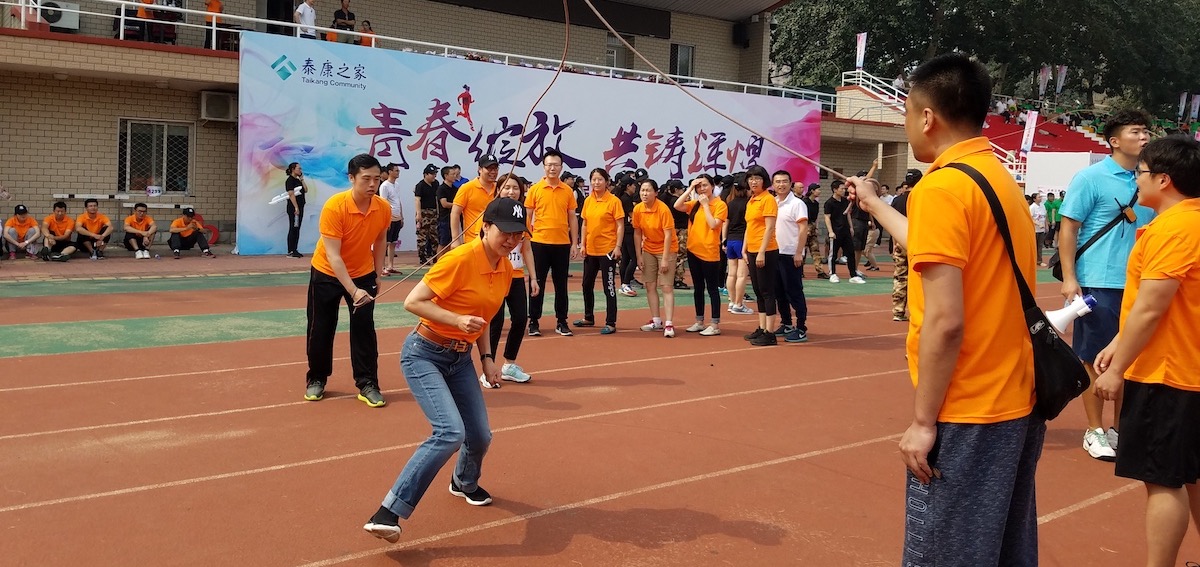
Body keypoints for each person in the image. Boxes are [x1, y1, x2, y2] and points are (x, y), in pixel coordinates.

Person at [848, 53, 1043, 566]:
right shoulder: (993, 177)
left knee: (944, 553)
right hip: (1015, 397)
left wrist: (923, 421)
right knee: (1002, 550)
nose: (907, 125)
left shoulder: (940, 187)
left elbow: (945, 320)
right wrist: (875, 203)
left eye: (908, 113)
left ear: (928, 117)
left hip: (968, 405)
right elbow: (932, 243)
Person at [363, 197, 527, 544]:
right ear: (485, 227)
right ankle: (387, 512)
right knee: (450, 432)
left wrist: (487, 358)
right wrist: (456, 320)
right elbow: (412, 302)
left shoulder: (505, 269)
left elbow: (483, 316)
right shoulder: (459, 259)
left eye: (518, 234)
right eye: (505, 232)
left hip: (461, 359)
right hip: (424, 354)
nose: (511, 240)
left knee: (480, 435)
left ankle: (463, 482)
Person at [1092, 136, 1200, 567]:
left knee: (1163, 479)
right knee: (1190, 476)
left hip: (1167, 372)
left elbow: (1153, 306)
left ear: (1164, 179)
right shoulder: (1190, 222)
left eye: (1140, 172)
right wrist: (1119, 342)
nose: (1135, 180)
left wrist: (1117, 368)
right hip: (1186, 367)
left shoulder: (1174, 229)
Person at [1058, 108, 1155, 461]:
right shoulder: (1091, 178)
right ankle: (1094, 430)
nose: (1144, 137)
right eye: (1135, 131)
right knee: (1095, 358)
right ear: (1114, 141)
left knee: (1132, 357)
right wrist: (1070, 278)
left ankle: (1120, 429)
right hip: (1099, 280)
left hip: (1142, 282)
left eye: (1146, 131)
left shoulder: (1152, 179)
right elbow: (1068, 228)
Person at [303, 153, 391, 407]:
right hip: (327, 272)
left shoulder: (382, 208)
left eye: (377, 178)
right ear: (352, 178)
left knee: (364, 330)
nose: (372, 184)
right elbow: (333, 256)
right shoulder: (335, 207)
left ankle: (367, 383)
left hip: (363, 273)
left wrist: (377, 274)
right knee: (320, 328)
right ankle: (317, 378)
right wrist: (353, 291)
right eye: (366, 178)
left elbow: (380, 240)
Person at [483, 175, 539, 385]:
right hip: (495, 275)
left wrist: (533, 277)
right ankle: (488, 368)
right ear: (498, 189)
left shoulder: (522, 214)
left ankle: (509, 364)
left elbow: (527, 249)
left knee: (520, 319)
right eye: (506, 187)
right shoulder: (492, 212)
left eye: (515, 188)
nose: (511, 191)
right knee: (495, 322)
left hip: (515, 275)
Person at [524, 149, 580, 337]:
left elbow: (572, 217)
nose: (552, 168)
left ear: (561, 167)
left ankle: (562, 321)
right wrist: (526, 238)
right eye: (549, 165)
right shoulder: (535, 189)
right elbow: (528, 215)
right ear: (544, 167)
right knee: (536, 283)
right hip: (539, 243)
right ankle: (533, 321)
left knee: (561, 285)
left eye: (556, 165)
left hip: (562, 244)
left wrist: (574, 243)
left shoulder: (567, 191)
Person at [673, 174, 727, 336]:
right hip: (693, 250)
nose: (701, 189)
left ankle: (715, 324)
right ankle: (699, 321)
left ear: (712, 186)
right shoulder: (695, 204)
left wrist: (705, 205)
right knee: (698, 288)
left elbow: (713, 225)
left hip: (709, 252)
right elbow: (677, 205)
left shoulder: (720, 205)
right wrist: (690, 188)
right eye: (698, 186)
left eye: (704, 185)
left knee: (712, 289)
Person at [576, 168, 624, 334]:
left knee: (608, 287)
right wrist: (583, 244)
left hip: (607, 250)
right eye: (594, 179)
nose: (596, 182)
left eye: (600, 179)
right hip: (590, 250)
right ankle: (588, 317)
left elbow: (620, 226)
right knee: (586, 284)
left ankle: (611, 322)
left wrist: (617, 247)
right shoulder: (588, 200)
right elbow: (584, 224)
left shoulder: (613, 201)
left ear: (607, 181)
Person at [740, 165, 780, 347]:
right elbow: (749, 226)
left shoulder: (768, 199)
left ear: (764, 181)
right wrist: (745, 248)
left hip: (767, 250)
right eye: (750, 178)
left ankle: (770, 333)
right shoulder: (751, 200)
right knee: (758, 291)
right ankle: (762, 328)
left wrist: (762, 251)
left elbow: (769, 228)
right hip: (752, 249)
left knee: (767, 291)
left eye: (757, 178)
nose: (753, 181)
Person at [633, 178, 677, 337]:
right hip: (648, 249)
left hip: (667, 249)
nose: (644, 193)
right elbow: (637, 233)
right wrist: (639, 255)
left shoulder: (663, 209)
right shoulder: (638, 209)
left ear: (656, 193)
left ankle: (669, 323)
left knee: (666, 286)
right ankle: (656, 320)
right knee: (650, 285)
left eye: (648, 190)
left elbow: (668, 235)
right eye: (642, 190)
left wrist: (665, 258)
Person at [771, 171, 809, 343]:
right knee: (778, 292)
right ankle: (786, 323)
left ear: (790, 183)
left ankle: (801, 327)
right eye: (778, 181)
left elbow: (803, 229)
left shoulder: (797, 204)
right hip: (774, 253)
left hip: (791, 254)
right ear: (773, 184)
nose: (781, 185)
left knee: (794, 291)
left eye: (785, 181)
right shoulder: (773, 202)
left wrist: (799, 252)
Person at [451, 154, 499, 249]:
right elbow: (455, 213)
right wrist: (455, 239)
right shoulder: (467, 188)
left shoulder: (500, 189)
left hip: (495, 241)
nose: (493, 172)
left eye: (495, 169)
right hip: (473, 241)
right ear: (480, 169)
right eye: (489, 168)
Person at [890, 171, 920, 322]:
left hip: (900, 241)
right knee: (920, 278)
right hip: (918, 241)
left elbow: (892, 222)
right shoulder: (921, 197)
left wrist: (894, 243)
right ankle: (919, 311)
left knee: (900, 277)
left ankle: (898, 310)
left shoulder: (897, 200)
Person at [723, 175, 753, 314]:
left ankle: (732, 301)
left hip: (730, 240)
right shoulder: (749, 203)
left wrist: (724, 240)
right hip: (742, 240)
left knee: (731, 274)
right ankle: (739, 304)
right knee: (742, 275)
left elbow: (726, 223)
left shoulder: (731, 203)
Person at [824, 181, 863, 283]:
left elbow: (848, 214)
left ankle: (853, 275)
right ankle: (832, 274)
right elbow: (827, 218)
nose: (843, 190)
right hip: (835, 232)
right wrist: (830, 232)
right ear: (835, 189)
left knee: (850, 253)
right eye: (841, 188)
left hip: (845, 231)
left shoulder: (845, 201)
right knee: (833, 254)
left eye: (844, 189)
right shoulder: (829, 203)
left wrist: (851, 227)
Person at [616, 174, 641, 297]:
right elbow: (633, 216)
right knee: (635, 258)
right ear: (628, 186)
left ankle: (624, 284)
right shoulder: (625, 199)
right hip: (628, 231)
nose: (635, 187)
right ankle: (626, 283)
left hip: (624, 231)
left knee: (626, 258)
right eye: (633, 185)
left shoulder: (622, 197)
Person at [378, 163, 404, 275]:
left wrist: (401, 216)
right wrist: (386, 219)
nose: (398, 172)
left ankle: (390, 266)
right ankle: (381, 267)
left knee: (393, 242)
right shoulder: (384, 186)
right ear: (390, 172)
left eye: (398, 170)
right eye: (396, 170)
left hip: (397, 217)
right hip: (389, 217)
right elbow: (383, 203)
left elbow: (398, 200)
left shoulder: (397, 185)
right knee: (385, 243)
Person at [800, 183, 828, 279]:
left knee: (815, 250)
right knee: (803, 250)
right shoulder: (804, 202)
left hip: (812, 227)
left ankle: (820, 271)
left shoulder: (816, 203)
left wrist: (815, 228)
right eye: (818, 190)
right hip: (804, 227)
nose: (819, 191)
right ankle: (800, 270)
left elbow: (815, 217)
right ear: (812, 191)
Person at [413, 164, 440, 264]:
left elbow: (437, 198)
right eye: (432, 174)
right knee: (422, 236)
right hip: (424, 212)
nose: (434, 176)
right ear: (426, 174)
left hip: (433, 212)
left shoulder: (436, 184)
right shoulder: (420, 185)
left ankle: (435, 255)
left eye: (435, 173)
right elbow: (417, 200)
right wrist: (418, 213)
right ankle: (422, 256)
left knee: (435, 235)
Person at [284, 162, 308, 258]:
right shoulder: (290, 180)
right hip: (294, 208)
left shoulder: (298, 180)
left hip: (300, 207)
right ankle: (291, 250)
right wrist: (296, 207)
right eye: (299, 168)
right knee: (293, 228)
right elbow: (291, 194)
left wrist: (302, 179)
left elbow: (305, 190)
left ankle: (295, 249)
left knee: (297, 228)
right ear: (293, 169)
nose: (300, 170)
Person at [435, 165, 458, 254]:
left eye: (455, 174)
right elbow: (444, 204)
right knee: (443, 243)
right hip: (444, 219)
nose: (455, 176)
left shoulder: (455, 188)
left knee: (450, 243)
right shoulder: (441, 189)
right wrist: (457, 205)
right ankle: (439, 261)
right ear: (446, 175)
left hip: (453, 219)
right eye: (453, 174)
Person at [1029, 193, 1047, 266]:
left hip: (1041, 230)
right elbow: (1030, 218)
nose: (1040, 198)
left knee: (1040, 245)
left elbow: (1045, 216)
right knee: (1034, 246)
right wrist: (1038, 224)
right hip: (1034, 230)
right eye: (1039, 197)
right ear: (1034, 199)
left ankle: (1039, 260)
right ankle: (1031, 260)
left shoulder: (1042, 206)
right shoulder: (1032, 207)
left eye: (1040, 197)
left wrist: (1046, 226)